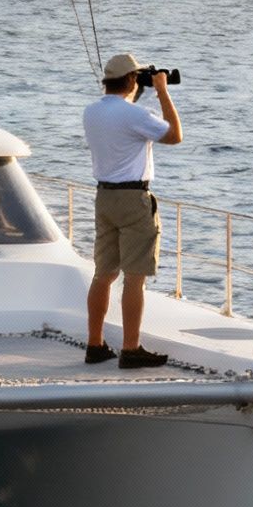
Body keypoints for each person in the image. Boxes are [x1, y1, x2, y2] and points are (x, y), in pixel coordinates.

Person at [82, 52, 183, 368]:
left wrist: (138, 88)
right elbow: (174, 136)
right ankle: (131, 348)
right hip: (133, 199)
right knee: (134, 278)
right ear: (130, 80)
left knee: (103, 274)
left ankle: (95, 344)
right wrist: (163, 90)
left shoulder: (91, 112)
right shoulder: (134, 115)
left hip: (104, 198)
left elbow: (120, 113)